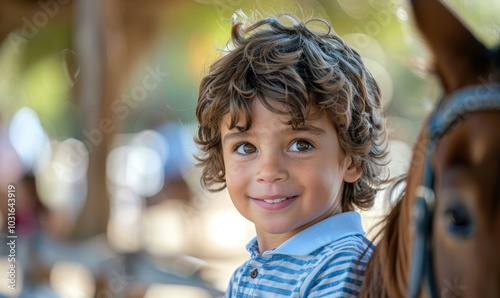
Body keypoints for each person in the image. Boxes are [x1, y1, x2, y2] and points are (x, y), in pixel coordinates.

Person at [194, 12, 389, 297]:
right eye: (246, 148)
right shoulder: (247, 273)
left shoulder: (344, 267)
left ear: (352, 157)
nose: (269, 170)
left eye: (300, 144)